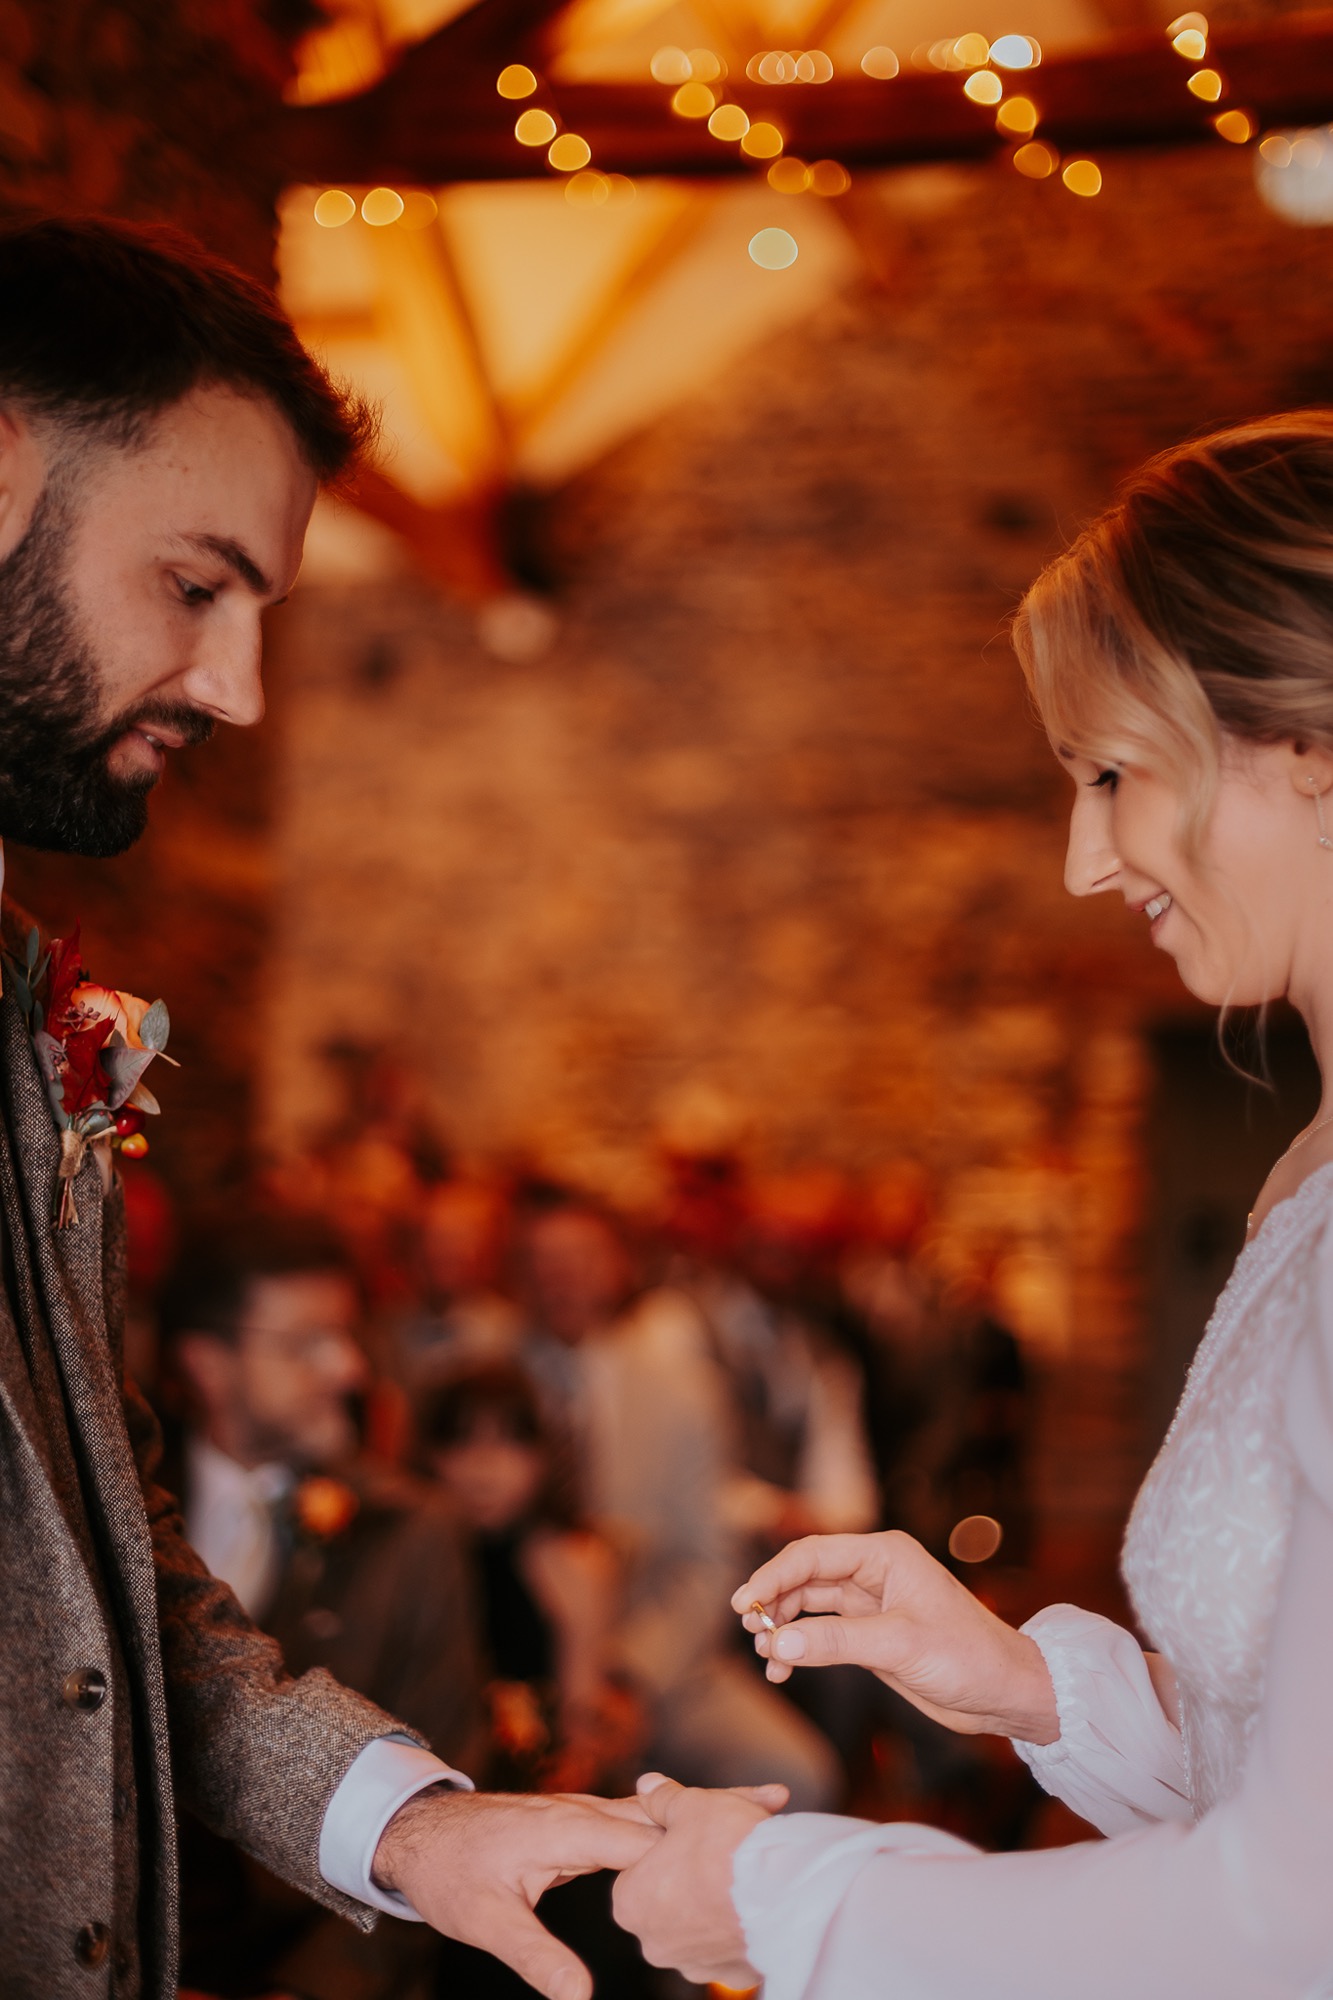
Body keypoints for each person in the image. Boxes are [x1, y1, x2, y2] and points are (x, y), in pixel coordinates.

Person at [0, 214, 654, 2000]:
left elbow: (88, 1556)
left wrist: (412, 1826)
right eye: (196, 585)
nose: (237, 688)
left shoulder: (20, 992)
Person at [610, 413, 1333, 1996]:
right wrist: (1023, 1682)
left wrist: (790, 1902)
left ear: (1305, 740)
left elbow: (1296, 1920)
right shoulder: (1308, 1176)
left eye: (1110, 773)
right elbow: (1276, 1781)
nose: (1084, 858)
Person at [160, 1217, 486, 2000]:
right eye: (305, 1341)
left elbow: (441, 1788)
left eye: (346, 1335)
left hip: (306, 1956)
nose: (347, 1367)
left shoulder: (410, 1529)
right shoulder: (112, 1506)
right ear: (207, 1363)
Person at [516, 1191, 841, 1811]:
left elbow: (706, 1560)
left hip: (661, 1661)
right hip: (529, 1659)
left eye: (580, 1258)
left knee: (797, 1775)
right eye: (540, 1260)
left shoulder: (681, 1390)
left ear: (618, 1268)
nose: (559, 1278)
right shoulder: (491, 1378)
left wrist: (632, 1678)